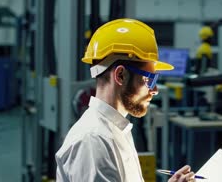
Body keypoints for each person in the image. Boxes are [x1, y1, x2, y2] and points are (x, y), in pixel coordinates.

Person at [55, 18, 196, 182]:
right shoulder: (93, 141)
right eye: (150, 80)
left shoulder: (115, 129)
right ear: (120, 75)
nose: (155, 90)